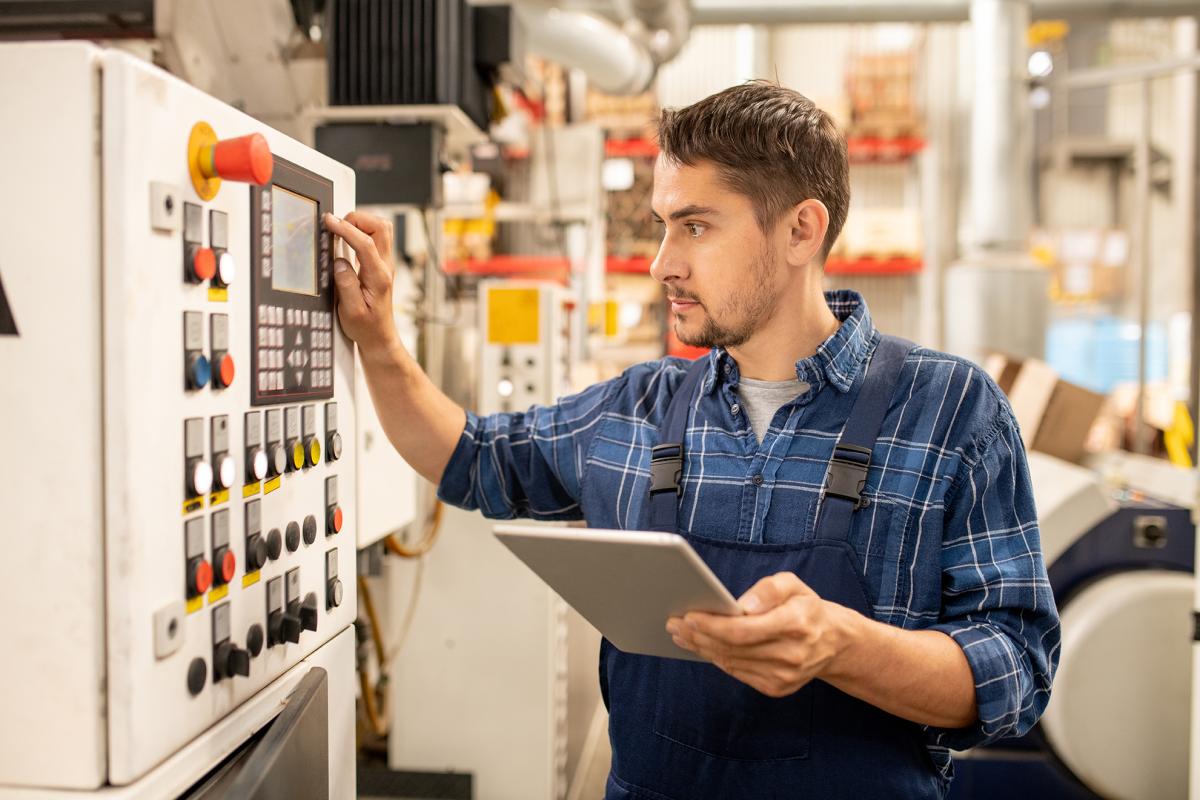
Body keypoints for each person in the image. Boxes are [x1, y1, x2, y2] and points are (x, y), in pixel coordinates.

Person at [323, 81, 1059, 800]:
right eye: (662, 224)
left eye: (696, 227)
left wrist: (845, 646)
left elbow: (1017, 672)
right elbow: (473, 458)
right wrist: (379, 339)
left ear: (801, 230)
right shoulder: (639, 409)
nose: (661, 262)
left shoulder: (951, 411)